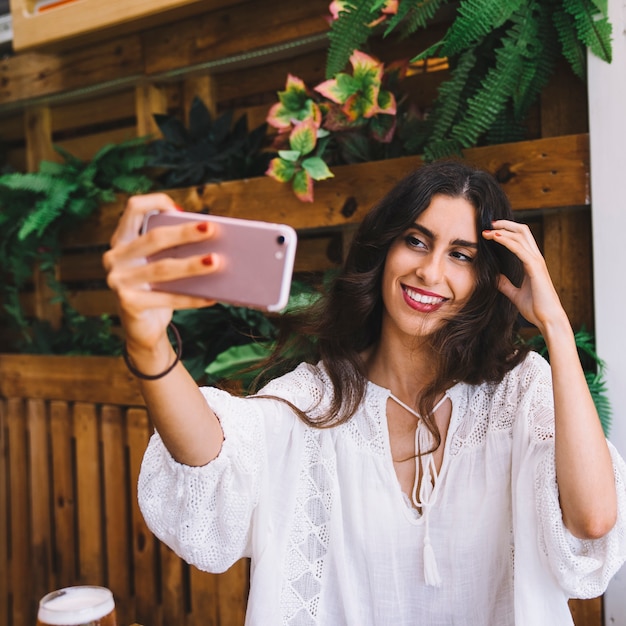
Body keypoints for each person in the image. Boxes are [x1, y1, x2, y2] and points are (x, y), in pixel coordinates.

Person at [103, 161, 626, 625]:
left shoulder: (517, 390)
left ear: (487, 280)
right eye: (416, 241)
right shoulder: (318, 399)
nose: (430, 270)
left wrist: (554, 324)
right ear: (384, 248)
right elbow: (211, 457)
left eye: (461, 255)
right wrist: (148, 345)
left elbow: (592, 520)